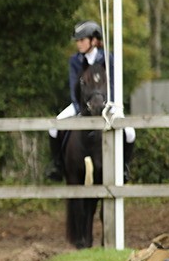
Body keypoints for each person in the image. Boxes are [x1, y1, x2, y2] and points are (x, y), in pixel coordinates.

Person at [46, 20, 136, 180]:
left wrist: (109, 104)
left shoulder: (107, 59)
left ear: (93, 41)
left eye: (82, 40)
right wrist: (80, 107)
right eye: (77, 41)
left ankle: (124, 168)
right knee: (53, 127)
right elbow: (74, 85)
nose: (78, 44)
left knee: (130, 132)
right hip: (80, 106)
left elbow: (114, 84)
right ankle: (58, 165)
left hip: (108, 104)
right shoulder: (75, 60)